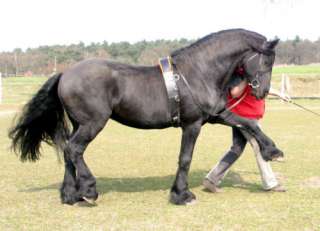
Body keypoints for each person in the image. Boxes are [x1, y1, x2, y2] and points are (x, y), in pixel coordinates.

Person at [203, 67, 290, 193]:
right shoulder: (238, 73)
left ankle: (212, 179)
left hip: (248, 116)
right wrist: (247, 78)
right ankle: (270, 183)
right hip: (244, 118)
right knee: (260, 146)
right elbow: (234, 92)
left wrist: (280, 94)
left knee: (236, 149)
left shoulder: (254, 73)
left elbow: (261, 88)